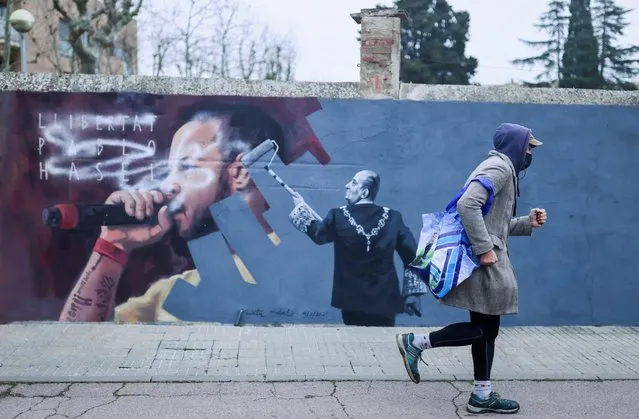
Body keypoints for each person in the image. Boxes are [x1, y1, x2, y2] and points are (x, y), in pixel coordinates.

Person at [58, 103, 298, 322]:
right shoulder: (169, 297)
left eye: (186, 167)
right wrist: (113, 246)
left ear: (241, 173)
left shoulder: (309, 266)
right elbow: (74, 349)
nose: (166, 186)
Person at [395, 123, 548, 414]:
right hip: (484, 261)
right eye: (529, 146)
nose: (531, 152)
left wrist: (528, 222)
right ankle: (417, 342)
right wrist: (485, 249)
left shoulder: (501, 168)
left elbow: (496, 224)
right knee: (485, 329)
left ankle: (481, 394)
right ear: (517, 145)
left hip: (484, 257)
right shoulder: (500, 167)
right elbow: (468, 205)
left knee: (486, 328)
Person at [288, 170, 426, 327]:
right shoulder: (393, 217)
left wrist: (300, 207)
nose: (347, 185)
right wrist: (413, 294)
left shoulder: (337, 216)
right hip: (385, 300)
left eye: (353, 182)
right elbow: (415, 254)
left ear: (364, 192)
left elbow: (319, 235)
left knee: (356, 342)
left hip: (351, 301)